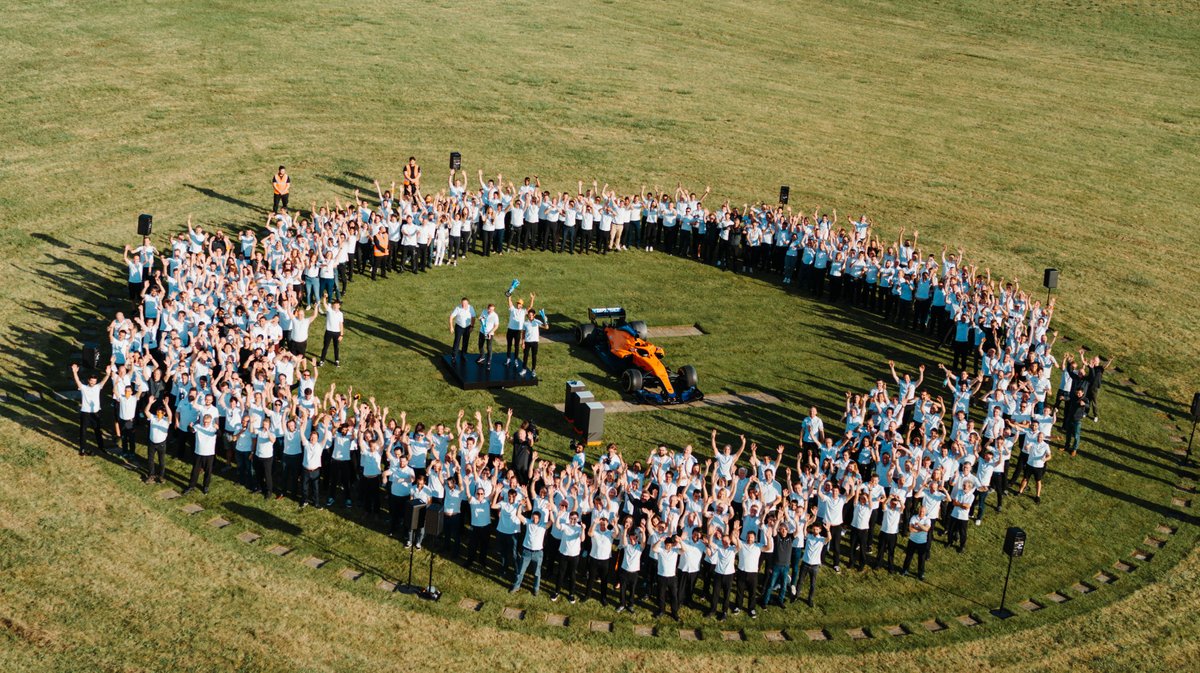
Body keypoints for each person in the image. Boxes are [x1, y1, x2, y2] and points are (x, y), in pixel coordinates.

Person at [72, 363, 110, 456]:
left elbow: (104, 381)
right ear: (88, 380)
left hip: (95, 413)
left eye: (94, 381)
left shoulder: (97, 387)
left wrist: (108, 374)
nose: (93, 382)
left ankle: (101, 447)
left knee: (98, 431)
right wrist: (74, 372)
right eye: (92, 381)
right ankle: (82, 449)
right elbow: (77, 381)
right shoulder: (84, 388)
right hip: (85, 412)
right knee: (83, 431)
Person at [511, 508, 549, 595]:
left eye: (537, 518)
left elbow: (552, 522)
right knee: (521, 571)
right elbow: (518, 515)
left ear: (540, 518)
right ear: (531, 517)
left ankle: (536, 588)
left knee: (537, 573)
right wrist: (520, 505)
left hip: (538, 553)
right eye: (533, 517)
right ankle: (516, 586)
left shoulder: (543, 525)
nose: (535, 520)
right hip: (526, 552)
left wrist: (550, 511)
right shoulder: (528, 522)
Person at [796, 523, 830, 607]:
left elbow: (829, 538)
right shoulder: (809, 536)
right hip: (805, 563)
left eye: (817, 529)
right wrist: (806, 522)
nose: (815, 531)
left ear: (820, 530)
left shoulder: (821, 539)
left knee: (813, 584)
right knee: (800, 581)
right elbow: (804, 531)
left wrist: (828, 530)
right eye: (814, 529)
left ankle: (810, 599)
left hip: (814, 565)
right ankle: (796, 595)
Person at [183, 414, 219, 495]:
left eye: (207, 422)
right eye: (204, 422)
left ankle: (206, 486)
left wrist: (218, 429)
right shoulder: (198, 426)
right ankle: (191, 486)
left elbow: (219, 434)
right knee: (195, 470)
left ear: (210, 422)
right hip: (198, 452)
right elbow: (191, 430)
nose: (206, 424)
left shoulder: (213, 428)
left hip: (209, 454)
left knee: (208, 471)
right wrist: (189, 426)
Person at [650, 534, 681, 621]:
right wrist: (660, 540)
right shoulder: (661, 550)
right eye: (667, 545)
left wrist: (680, 542)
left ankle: (674, 612)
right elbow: (653, 548)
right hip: (661, 577)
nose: (669, 547)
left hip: (672, 578)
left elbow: (684, 550)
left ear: (672, 545)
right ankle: (661, 610)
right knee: (661, 595)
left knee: (673, 595)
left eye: (670, 545)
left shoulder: (675, 550)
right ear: (665, 544)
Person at [1017, 432, 1053, 504]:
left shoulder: (1045, 445)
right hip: (1029, 464)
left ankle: (1037, 496)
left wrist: (1045, 459)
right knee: (1025, 478)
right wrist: (1027, 447)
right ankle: (1020, 491)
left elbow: (1049, 456)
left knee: (1038, 481)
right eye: (1038, 437)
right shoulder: (1033, 442)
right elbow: (1027, 446)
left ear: (1043, 438)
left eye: (1041, 437)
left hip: (1039, 467)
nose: (1039, 438)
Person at [901, 504, 932, 580]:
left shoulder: (927, 519)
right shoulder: (914, 517)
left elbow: (927, 529)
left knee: (921, 559)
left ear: (925, 512)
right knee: (909, 556)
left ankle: (920, 574)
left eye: (923, 511)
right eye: (920, 511)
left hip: (922, 542)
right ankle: (905, 570)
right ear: (918, 511)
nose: (921, 513)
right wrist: (921, 529)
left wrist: (918, 524)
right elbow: (911, 529)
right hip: (912, 540)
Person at [505, 293, 534, 367]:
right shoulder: (513, 309)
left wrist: (532, 298)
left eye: (520, 303)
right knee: (509, 345)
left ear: (522, 305)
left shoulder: (524, 311)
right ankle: (508, 359)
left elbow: (530, 307)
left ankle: (515, 359)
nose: (518, 304)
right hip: (510, 330)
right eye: (518, 303)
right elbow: (510, 303)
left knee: (516, 346)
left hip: (518, 331)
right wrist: (509, 297)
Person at [519, 307, 546, 377]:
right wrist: (523, 343)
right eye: (529, 315)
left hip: (535, 342)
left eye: (532, 315)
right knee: (525, 356)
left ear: (534, 315)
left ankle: (533, 370)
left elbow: (546, 327)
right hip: (527, 342)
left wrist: (545, 320)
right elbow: (523, 333)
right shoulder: (525, 323)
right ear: (528, 315)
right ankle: (524, 369)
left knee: (534, 356)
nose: (530, 316)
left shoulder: (537, 322)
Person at [317, 298, 343, 367]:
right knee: (325, 347)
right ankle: (322, 361)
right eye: (334, 304)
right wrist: (324, 298)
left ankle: (337, 361)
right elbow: (324, 304)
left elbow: (341, 324)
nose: (335, 305)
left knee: (336, 347)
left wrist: (341, 335)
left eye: (337, 305)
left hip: (337, 333)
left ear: (339, 306)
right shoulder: (329, 310)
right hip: (328, 332)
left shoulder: (340, 314)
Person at [449, 297, 476, 362]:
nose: (464, 305)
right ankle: (454, 356)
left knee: (465, 341)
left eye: (465, 303)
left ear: (468, 303)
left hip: (467, 327)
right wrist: (451, 327)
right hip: (459, 327)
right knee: (457, 341)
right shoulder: (458, 308)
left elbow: (473, 317)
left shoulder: (471, 308)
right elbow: (451, 317)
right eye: (463, 303)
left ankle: (463, 355)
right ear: (461, 303)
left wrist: (472, 326)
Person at [1063, 388, 1087, 456]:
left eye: (1079, 393)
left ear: (1082, 393)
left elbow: (1088, 406)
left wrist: (1084, 404)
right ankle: (1066, 446)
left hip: (1077, 420)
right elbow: (1069, 399)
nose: (1078, 394)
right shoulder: (1074, 397)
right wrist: (1064, 398)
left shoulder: (1085, 399)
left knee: (1076, 435)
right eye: (1077, 393)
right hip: (1070, 418)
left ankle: (1074, 449)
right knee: (1068, 434)